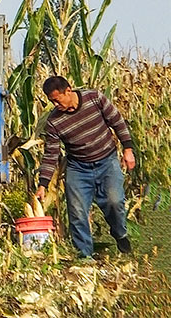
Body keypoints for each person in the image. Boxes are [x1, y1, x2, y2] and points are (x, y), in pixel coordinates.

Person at [35, 75, 136, 258]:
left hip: (107, 160)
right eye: (52, 102)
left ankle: (120, 233)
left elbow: (117, 121)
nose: (55, 105)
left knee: (115, 201)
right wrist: (43, 184)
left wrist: (128, 149)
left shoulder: (94, 98)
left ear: (68, 90)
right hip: (78, 168)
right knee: (77, 211)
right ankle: (85, 255)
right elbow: (51, 154)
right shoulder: (54, 122)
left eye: (57, 100)